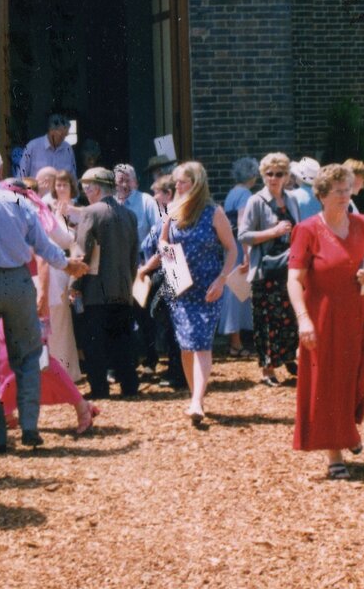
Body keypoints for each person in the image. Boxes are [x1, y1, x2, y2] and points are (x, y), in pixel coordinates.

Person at [0, 145, 86, 452]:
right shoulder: (19, 202)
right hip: (18, 281)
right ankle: (30, 425)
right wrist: (66, 264)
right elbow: (43, 245)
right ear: (1, 170)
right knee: (29, 355)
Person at [286, 164, 364, 479]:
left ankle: (346, 430)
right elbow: (294, 280)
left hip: (358, 312)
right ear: (322, 196)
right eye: (338, 191)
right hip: (322, 315)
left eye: (348, 189)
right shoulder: (307, 230)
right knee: (328, 384)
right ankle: (335, 454)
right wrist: (303, 320)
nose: (345, 196)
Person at [140, 161, 235, 426]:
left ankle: (196, 401)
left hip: (208, 287)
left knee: (201, 341)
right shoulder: (173, 209)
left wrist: (222, 279)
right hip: (180, 284)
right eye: (177, 182)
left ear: (198, 183)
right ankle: (197, 396)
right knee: (186, 344)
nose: (178, 186)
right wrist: (170, 260)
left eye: (184, 182)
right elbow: (162, 241)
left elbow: (232, 248)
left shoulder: (213, 212)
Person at [74, 167, 140, 400]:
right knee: (122, 340)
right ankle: (130, 385)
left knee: (95, 343)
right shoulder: (129, 215)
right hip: (122, 288)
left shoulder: (90, 213)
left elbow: (82, 253)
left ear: (96, 188)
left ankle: (99, 388)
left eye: (86, 188)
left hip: (96, 289)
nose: (85, 192)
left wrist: (74, 285)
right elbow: (134, 256)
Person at [239, 153, 300, 386]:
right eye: (269, 174)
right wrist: (272, 232)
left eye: (279, 174)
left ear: (286, 176)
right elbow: (243, 234)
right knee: (266, 321)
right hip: (265, 271)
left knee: (288, 319)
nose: (273, 178)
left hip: (288, 268)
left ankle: (287, 359)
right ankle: (267, 370)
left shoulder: (291, 199)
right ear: (263, 175)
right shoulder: (256, 201)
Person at [42, 167, 82, 379]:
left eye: (64, 185)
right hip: (57, 266)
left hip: (74, 264)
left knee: (66, 323)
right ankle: (55, 370)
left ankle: (69, 371)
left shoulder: (77, 208)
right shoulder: (48, 207)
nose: (61, 188)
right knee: (55, 323)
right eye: (58, 185)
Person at [219, 156, 259, 357]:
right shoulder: (245, 194)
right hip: (238, 246)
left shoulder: (232, 193)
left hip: (230, 245)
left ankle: (234, 340)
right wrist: (246, 253)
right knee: (236, 292)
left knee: (233, 290)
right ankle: (236, 343)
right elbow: (243, 224)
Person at [19, 114, 78, 182]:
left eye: (65, 135)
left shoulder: (68, 149)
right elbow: (21, 176)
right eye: (61, 135)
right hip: (37, 192)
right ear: (51, 130)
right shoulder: (32, 147)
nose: (63, 138)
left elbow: (73, 178)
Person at [114, 164, 161, 246]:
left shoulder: (147, 201)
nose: (124, 185)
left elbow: (159, 230)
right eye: (120, 181)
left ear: (135, 182)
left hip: (143, 256)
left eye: (128, 181)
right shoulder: (111, 204)